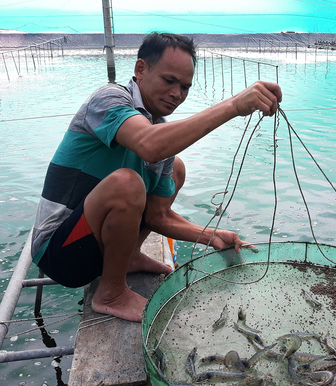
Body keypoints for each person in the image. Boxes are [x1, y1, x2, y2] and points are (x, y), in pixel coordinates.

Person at [31, 32, 282, 322]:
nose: (177, 93)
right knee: (126, 182)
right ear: (140, 70)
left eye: (185, 86)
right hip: (59, 252)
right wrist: (234, 106)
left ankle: (129, 256)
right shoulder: (108, 100)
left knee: (176, 166)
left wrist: (212, 236)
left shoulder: (157, 128)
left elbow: (157, 216)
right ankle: (111, 293)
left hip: (94, 244)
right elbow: (149, 144)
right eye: (169, 80)